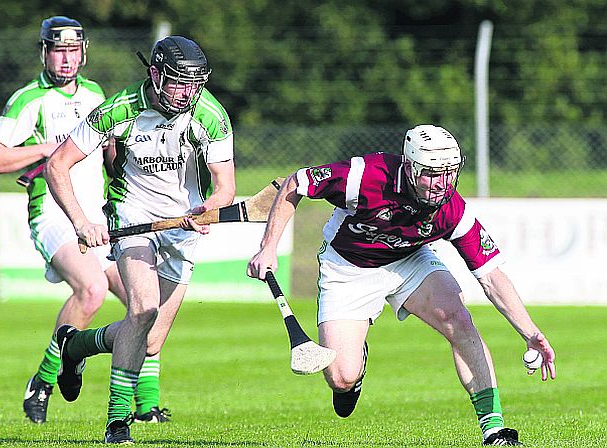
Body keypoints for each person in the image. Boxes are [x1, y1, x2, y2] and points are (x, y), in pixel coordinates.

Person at [247, 124, 556, 446]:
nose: (442, 184)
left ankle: (494, 431)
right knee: (341, 377)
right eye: (431, 174)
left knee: (459, 319)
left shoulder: (451, 208)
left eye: (450, 173)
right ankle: (357, 365)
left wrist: (531, 333)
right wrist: (268, 247)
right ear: (409, 167)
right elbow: (297, 182)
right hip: (349, 268)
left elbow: (491, 276)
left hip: (410, 260)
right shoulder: (365, 176)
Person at [0, 16, 169, 425]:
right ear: (44, 53)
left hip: (98, 217)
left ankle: (146, 403)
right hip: (52, 214)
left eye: (73, 50)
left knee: (148, 303)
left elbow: (108, 156)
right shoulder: (28, 100)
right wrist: (45, 148)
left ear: (84, 52)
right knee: (93, 288)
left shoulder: (98, 94)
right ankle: (44, 381)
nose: (66, 59)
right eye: (57, 50)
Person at [44, 35, 235, 444]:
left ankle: (75, 346)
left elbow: (225, 186)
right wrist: (81, 222)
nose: (187, 93)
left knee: (149, 339)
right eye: (178, 82)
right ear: (154, 73)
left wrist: (207, 212)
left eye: (195, 84)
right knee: (143, 307)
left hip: (182, 223)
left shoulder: (209, 115)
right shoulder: (119, 110)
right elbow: (56, 166)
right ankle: (117, 422)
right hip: (132, 216)